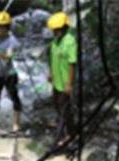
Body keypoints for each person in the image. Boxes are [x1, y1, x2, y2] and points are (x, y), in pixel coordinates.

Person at [0, 10, 22, 134]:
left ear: (8, 27)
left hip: (10, 74)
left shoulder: (12, 40)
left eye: (3, 27)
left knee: (15, 98)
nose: (1, 30)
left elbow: (8, 57)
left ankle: (15, 124)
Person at [47, 11, 77, 145]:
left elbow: (72, 63)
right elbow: (53, 58)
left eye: (58, 30)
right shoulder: (55, 41)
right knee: (57, 105)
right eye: (54, 30)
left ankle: (70, 135)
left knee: (66, 109)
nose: (55, 32)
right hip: (56, 82)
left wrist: (69, 83)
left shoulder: (70, 41)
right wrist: (50, 72)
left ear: (65, 28)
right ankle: (61, 124)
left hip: (65, 82)